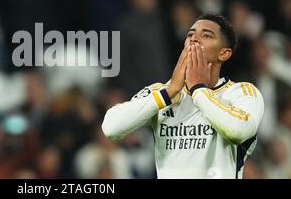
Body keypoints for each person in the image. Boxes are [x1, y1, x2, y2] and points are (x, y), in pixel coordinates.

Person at [102, 14, 264, 179]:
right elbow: (111, 127)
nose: (194, 39)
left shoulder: (240, 92)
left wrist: (198, 90)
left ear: (224, 54)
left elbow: (238, 131)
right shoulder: (162, 93)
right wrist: (168, 93)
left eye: (207, 35)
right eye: (190, 34)